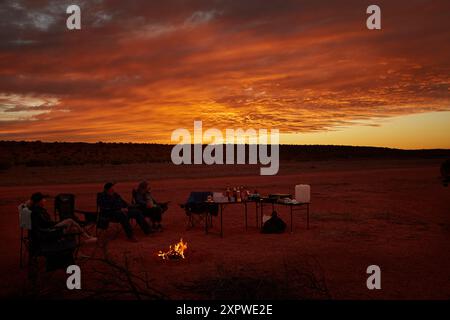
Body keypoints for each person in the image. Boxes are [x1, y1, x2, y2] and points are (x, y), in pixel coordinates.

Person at [29, 192, 97, 244]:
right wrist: (58, 223)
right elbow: (46, 223)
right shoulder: (37, 211)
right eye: (43, 199)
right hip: (49, 231)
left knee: (75, 229)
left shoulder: (37, 209)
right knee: (69, 220)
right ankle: (87, 237)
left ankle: (79, 247)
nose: (44, 200)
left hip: (49, 229)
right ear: (38, 201)